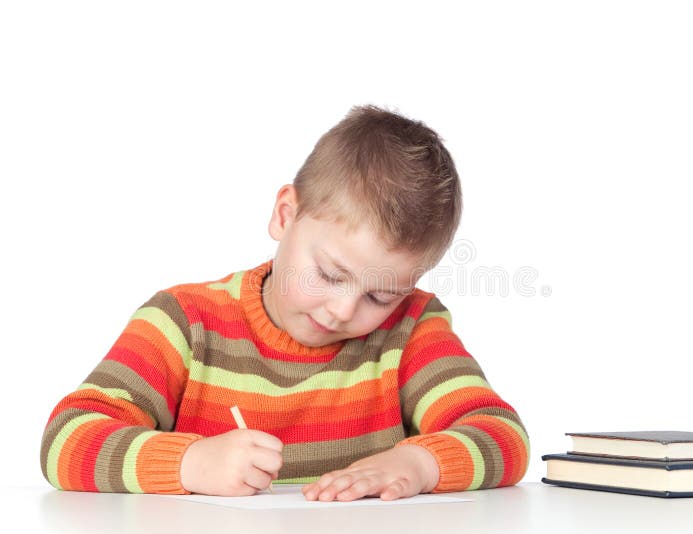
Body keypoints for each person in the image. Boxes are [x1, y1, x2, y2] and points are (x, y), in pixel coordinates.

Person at [40, 105, 530, 501]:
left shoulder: (412, 329)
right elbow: (66, 439)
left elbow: (501, 435)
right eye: (329, 274)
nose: (342, 310)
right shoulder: (185, 322)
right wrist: (191, 463)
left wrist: (420, 464)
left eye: (379, 295)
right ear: (284, 215)